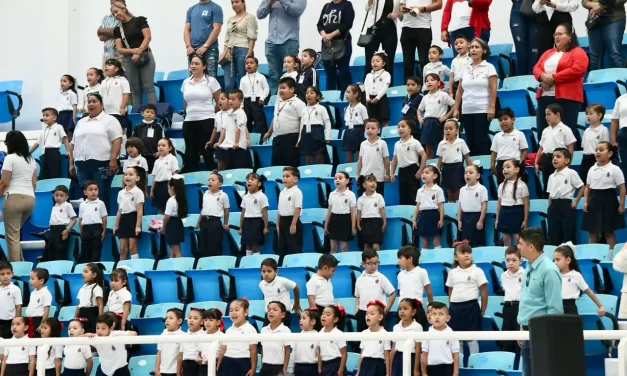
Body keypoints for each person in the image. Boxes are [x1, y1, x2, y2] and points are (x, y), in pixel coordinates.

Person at [517, 227, 564, 376]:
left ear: (530, 247)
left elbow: (555, 308)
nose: (518, 247)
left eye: (520, 243)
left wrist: (548, 338)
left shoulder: (549, 270)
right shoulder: (528, 266)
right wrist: (522, 326)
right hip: (527, 331)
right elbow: (527, 299)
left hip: (542, 333)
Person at [533, 23, 587, 144]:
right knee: (543, 133)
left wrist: (554, 77)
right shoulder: (548, 52)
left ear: (570, 37)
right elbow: (536, 68)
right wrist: (542, 76)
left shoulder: (578, 52)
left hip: (566, 99)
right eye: (555, 34)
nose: (556, 37)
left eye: (560, 34)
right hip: (545, 98)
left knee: (565, 134)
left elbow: (578, 69)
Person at [70, 93, 123, 210]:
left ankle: (103, 225)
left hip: (101, 164)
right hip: (81, 164)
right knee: (86, 197)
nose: (91, 104)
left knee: (101, 196)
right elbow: (73, 143)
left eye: (94, 101)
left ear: (102, 104)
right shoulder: (81, 122)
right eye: (89, 102)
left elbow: (117, 140)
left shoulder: (110, 120)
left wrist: (113, 159)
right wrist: (71, 163)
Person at [452, 38, 498, 156]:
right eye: (472, 47)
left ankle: (484, 169)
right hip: (467, 109)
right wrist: (456, 108)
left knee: (481, 141)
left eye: (477, 47)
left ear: (484, 51)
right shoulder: (465, 68)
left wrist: (491, 107)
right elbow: (459, 91)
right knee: (471, 142)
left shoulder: (489, 67)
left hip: (482, 108)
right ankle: (473, 170)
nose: (473, 50)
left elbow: (493, 89)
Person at [0, 131, 37, 261]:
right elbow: (34, 183)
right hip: (30, 199)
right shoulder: (31, 159)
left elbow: (4, 182)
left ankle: (14, 271)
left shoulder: (10, 158)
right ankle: (21, 264)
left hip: (14, 198)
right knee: (15, 234)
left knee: (12, 237)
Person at [111, 1, 157, 107]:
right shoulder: (118, 29)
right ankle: (137, 116)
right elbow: (120, 49)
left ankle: (154, 114)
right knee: (135, 90)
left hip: (145, 56)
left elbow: (148, 37)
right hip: (129, 59)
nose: (116, 15)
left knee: (148, 87)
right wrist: (133, 51)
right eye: (113, 14)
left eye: (116, 12)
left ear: (124, 9)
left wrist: (139, 51)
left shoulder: (140, 21)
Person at [181, 54, 222, 173]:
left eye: (196, 64)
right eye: (192, 63)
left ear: (204, 66)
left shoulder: (211, 81)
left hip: (207, 119)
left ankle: (211, 174)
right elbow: (185, 102)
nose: (193, 66)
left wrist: (211, 114)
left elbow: (219, 101)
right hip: (189, 120)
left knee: (207, 150)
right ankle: (191, 175)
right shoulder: (185, 82)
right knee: (190, 151)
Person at [446, 242, 488, 356]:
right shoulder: (452, 272)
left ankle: (474, 363)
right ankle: (459, 366)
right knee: (457, 339)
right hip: (455, 308)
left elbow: (484, 291)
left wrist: (482, 310)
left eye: (469, 252)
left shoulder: (477, 271)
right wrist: (451, 307)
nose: (467, 255)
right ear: (456, 257)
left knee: (471, 338)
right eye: (463, 253)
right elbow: (450, 290)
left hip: (471, 307)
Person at [256, 0, 306, 95]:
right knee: (274, 77)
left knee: (291, 75)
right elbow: (260, 14)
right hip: (271, 42)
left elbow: (297, 11)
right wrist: (269, 3)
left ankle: (292, 103)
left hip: (289, 40)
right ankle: (275, 102)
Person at [582, 142, 626, 250]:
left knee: (608, 232)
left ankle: (612, 257)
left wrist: (621, 204)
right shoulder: (592, 169)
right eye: (596, 150)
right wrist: (586, 201)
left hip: (609, 200)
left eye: (601, 150)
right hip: (594, 200)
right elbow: (587, 187)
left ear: (610, 153)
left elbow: (622, 187)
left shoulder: (614, 169)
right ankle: (591, 255)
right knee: (592, 231)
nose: (598, 152)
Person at [534, 103, 577, 197]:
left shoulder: (565, 129)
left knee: (559, 183)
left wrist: (567, 162)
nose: (546, 117)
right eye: (545, 115)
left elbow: (570, 146)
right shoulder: (545, 130)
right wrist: (536, 162)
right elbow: (541, 148)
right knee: (547, 183)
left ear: (557, 114)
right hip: (546, 158)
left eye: (549, 114)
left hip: (560, 158)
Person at [263, 77, 307, 167]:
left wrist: (300, 138)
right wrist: (269, 132)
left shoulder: (298, 103)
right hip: (277, 137)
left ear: (292, 89)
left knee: (290, 165)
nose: (281, 90)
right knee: (276, 164)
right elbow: (275, 117)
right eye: (279, 88)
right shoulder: (278, 102)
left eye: (283, 88)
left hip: (291, 138)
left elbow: (303, 121)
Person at [554, 242, 606, 315]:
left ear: (568, 260)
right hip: (556, 308)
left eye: (558, 259)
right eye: (554, 260)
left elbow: (589, 292)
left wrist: (600, 306)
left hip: (570, 308)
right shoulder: (553, 274)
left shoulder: (576, 275)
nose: (555, 263)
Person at [546, 148, 583, 245]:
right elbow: (550, 194)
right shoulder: (551, 176)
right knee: (554, 234)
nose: (554, 159)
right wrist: (550, 207)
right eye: (553, 157)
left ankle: (569, 257)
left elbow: (582, 187)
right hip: (554, 205)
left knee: (568, 234)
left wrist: (575, 201)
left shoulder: (571, 173)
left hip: (565, 204)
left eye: (558, 157)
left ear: (567, 160)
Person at [355, 249, 397, 334]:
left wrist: (385, 310)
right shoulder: (359, 279)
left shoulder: (381, 278)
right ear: (363, 264)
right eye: (370, 263)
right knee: (363, 340)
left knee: (379, 340)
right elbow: (357, 296)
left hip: (377, 314)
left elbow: (393, 293)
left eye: (376, 263)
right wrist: (357, 307)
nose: (373, 266)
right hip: (363, 313)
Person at [318, 0, 355, 93]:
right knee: (329, 75)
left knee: (343, 73)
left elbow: (347, 24)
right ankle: (329, 100)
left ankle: (346, 98)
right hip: (327, 44)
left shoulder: (347, 4)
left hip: (342, 42)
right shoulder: (327, 6)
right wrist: (325, 36)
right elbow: (319, 24)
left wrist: (331, 35)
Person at [399, 0, 442, 80]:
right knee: (407, 63)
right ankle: (409, 89)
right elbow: (402, 5)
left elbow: (439, 4)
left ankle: (427, 89)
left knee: (424, 62)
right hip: (407, 27)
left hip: (424, 27)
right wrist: (403, 8)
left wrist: (422, 9)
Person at [361, 0, 401, 84]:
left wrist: (397, 13)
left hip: (390, 28)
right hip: (374, 28)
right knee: (370, 60)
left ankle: (388, 88)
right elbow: (367, 8)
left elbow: (402, 16)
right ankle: (366, 89)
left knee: (389, 61)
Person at [222, 0, 257, 91]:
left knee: (243, 80)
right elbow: (227, 37)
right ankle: (230, 104)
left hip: (243, 49)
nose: (234, 4)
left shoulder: (249, 17)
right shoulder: (230, 19)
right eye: (232, 3)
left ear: (243, 3)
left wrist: (249, 53)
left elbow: (252, 36)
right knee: (228, 84)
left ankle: (244, 104)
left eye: (237, 2)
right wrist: (224, 53)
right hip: (229, 51)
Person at [391, 118, 426, 206]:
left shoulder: (415, 142)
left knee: (413, 194)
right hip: (402, 170)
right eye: (398, 127)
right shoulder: (397, 144)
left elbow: (424, 155)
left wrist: (420, 170)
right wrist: (392, 173)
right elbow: (395, 160)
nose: (400, 129)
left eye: (403, 126)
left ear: (409, 129)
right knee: (403, 194)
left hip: (413, 169)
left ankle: (414, 216)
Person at [418, 74, 455, 159]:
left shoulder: (443, 95)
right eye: (427, 81)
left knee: (442, 145)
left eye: (432, 80)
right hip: (427, 122)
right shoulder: (425, 97)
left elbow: (454, 105)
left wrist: (446, 116)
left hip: (439, 122)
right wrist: (420, 118)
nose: (429, 82)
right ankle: (429, 167)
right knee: (428, 147)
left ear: (438, 83)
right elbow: (419, 110)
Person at [185, 0, 223, 79]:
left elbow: (217, 29)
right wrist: (188, 46)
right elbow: (186, 29)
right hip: (192, 50)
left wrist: (205, 46)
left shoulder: (216, 8)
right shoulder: (191, 9)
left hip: (209, 50)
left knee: (210, 79)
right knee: (193, 79)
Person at [218, 299, 258, 376]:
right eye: (230, 310)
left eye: (236, 310)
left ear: (246, 312)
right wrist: (219, 365)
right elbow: (223, 350)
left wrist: (253, 368)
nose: (233, 313)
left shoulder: (250, 329)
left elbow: (253, 351)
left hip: (242, 363)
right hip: (227, 362)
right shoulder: (229, 330)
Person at [113, 166, 145, 260]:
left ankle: (135, 268)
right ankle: (122, 270)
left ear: (137, 178)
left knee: (132, 247)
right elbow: (119, 211)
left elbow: (140, 210)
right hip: (123, 219)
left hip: (133, 219)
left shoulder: (138, 192)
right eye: (126, 175)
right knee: (123, 249)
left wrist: (138, 226)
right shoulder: (121, 193)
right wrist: (116, 225)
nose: (127, 177)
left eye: (131, 175)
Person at [490, 108, 529, 185]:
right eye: (500, 120)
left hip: (515, 163)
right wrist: (492, 164)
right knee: (502, 186)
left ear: (513, 120)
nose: (503, 122)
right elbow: (494, 152)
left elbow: (524, 150)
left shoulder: (519, 134)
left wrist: (521, 162)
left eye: (505, 119)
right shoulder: (497, 136)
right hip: (501, 164)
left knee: (517, 186)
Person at [436, 119, 472, 203]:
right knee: (449, 190)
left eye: (450, 128)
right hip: (446, 168)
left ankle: (458, 208)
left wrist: (470, 169)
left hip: (457, 167)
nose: (448, 131)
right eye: (446, 129)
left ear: (457, 130)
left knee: (457, 190)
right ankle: (451, 208)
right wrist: (437, 171)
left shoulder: (461, 142)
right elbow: (440, 159)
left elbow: (467, 156)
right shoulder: (441, 144)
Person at [584, 0, 626, 70]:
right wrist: (592, 5)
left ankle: (619, 80)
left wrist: (600, 5)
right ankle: (596, 80)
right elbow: (584, 1)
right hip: (595, 20)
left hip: (614, 18)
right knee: (594, 57)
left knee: (614, 54)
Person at [397, 245, 433, 328]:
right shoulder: (400, 274)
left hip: (416, 308)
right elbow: (400, 292)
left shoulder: (421, 272)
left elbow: (429, 291)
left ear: (410, 259)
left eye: (400, 258)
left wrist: (430, 307)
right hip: (403, 307)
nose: (398, 261)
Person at [420, 302, 460, 376]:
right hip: (431, 369)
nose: (437, 317)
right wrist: (424, 373)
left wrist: (455, 373)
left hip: (447, 368)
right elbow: (424, 355)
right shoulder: (427, 334)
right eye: (434, 314)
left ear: (447, 318)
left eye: (440, 314)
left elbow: (455, 354)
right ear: (430, 317)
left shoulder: (451, 333)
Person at [496, 160, 530, 246]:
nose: (505, 170)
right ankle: (508, 255)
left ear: (517, 169)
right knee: (505, 237)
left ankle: (519, 255)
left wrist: (525, 220)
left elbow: (526, 203)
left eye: (508, 167)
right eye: (503, 168)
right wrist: (497, 219)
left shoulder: (522, 185)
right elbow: (499, 203)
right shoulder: (501, 185)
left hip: (517, 211)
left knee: (517, 237)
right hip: (504, 211)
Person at [197, 172, 230, 258]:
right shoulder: (205, 194)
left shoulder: (223, 195)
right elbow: (203, 209)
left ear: (220, 184)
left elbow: (226, 210)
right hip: (204, 221)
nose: (210, 182)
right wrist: (198, 223)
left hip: (215, 222)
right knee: (203, 245)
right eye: (208, 180)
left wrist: (225, 223)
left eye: (213, 180)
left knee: (214, 244)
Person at [260, 258, 301, 327]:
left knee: (281, 335)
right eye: (263, 271)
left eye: (269, 271)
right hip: (269, 313)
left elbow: (295, 287)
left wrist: (296, 304)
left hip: (283, 314)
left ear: (276, 271)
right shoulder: (261, 284)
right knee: (265, 334)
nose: (266, 274)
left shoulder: (282, 281)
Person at [31, 108, 70, 180]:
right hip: (44, 154)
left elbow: (64, 138)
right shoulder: (43, 131)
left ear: (54, 118)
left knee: (54, 174)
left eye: (47, 115)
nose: (44, 117)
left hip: (53, 153)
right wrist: (28, 153)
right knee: (44, 175)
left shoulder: (58, 127)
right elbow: (37, 143)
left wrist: (68, 150)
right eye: (43, 115)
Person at [413, 165, 445, 249]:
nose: (423, 175)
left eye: (427, 173)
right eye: (423, 173)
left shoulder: (438, 190)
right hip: (423, 215)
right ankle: (425, 257)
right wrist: (414, 220)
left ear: (434, 176)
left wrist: (441, 219)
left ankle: (438, 257)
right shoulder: (420, 191)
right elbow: (417, 206)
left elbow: (441, 205)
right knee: (424, 238)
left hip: (434, 215)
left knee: (436, 237)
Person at [216, 89, 250, 169]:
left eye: (233, 99)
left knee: (239, 168)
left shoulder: (241, 113)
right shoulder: (228, 113)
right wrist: (219, 142)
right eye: (230, 99)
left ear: (240, 101)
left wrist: (236, 142)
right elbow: (224, 129)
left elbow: (239, 129)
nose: (230, 101)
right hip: (229, 146)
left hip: (238, 146)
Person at [297, 86, 332, 165]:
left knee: (319, 155)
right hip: (306, 132)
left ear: (318, 96)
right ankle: (309, 172)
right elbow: (302, 124)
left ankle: (321, 172)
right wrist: (299, 139)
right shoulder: (304, 109)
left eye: (312, 93)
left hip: (317, 131)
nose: (308, 95)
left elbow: (327, 123)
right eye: (307, 93)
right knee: (308, 155)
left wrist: (328, 137)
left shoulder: (321, 108)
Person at [356, 119, 391, 196]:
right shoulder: (363, 144)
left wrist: (387, 174)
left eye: (373, 128)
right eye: (367, 128)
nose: (370, 130)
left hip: (378, 177)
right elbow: (360, 160)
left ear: (378, 130)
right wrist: (357, 174)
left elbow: (386, 160)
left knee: (378, 198)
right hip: (366, 176)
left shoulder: (382, 143)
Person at [325, 171, 357, 253]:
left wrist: (353, 226)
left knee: (344, 246)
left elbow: (353, 213)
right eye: (335, 179)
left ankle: (344, 263)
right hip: (334, 219)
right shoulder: (332, 194)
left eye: (340, 178)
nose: (337, 180)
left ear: (347, 181)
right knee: (333, 247)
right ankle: (331, 264)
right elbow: (329, 210)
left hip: (345, 220)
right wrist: (326, 225)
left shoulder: (351, 195)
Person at [357, 301, 391, 376]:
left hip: (378, 365)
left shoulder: (385, 334)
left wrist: (388, 373)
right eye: (366, 314)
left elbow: (387, 355)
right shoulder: (364, 333)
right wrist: (358, 371)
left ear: (380, 317)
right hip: (365, 364)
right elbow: (362, 353)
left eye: (372, 314)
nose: (368, 316)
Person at [500, 246, 524, 354]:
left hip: (519, 307)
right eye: (508, 260)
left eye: (514, 260)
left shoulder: (524, 274)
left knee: (520, 339)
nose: (511, 263)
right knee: (507, 338)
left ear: (520, 261)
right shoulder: (503, 275)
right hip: (507, 307)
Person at [391, 298, 423, 376]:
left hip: (411, 358)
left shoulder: (417, 327)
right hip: (398, 358)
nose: (402, 311)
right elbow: (393, 348)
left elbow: (418, 349)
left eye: (405, 309)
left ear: (413, 312)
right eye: (400, 309)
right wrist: (390, 367)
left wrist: (416, 369)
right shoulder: (396, 327)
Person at [44, 185, 77, 261]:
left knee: (60, 250)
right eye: (56, 195)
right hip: (53, 230)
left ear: (66, 197)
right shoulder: (54, 207)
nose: (58, 197)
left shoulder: (67, 205)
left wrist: (67, 230)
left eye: (61, 196)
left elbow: (74, 219)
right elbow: (54, 221)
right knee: (51, 249)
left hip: (62, 229)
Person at [458, 164, 488, 247]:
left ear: (478, 175)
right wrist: (459, 220)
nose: (467, 174)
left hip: (477, 217)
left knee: (478, 241)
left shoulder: (482, 189)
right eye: (466, 173)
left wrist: (481, 220)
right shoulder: (462, 189)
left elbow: (484, 206)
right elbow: (460, 206)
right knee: (465, 242)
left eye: (471, 173)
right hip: (465, 217)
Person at [240, 173, 269, 256]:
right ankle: (248, 262)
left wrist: (265, 227)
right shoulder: (245, 197)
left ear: (259, 184)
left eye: (252, 180)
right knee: (247, 245)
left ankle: (256, 262)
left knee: (255, 245)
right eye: (248, 180)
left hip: (257, 222)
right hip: (247, 222)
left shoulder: (262, 196)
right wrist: (241, 227)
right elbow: (243, 213)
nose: (249, 181)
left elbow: (264, 212)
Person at [277, 167, 304, 258]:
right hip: (283, 221)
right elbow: (279, 210)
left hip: (292, 220)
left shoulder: (297, 192)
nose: (284, 178)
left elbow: (297, 208)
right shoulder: (282, 192)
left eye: (287, 176)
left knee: (293, 246)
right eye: (283, 176)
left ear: (295, 179)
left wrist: (293, 224)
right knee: (282, 247)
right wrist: (278, 224)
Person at [78, 181, 108, 263]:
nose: (93, 192)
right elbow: (80, 219)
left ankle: (95, 269)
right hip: (86, 229)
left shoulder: (100, 203)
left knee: (96, 251)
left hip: (97, 228)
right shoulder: (82, 204)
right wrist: (81, 232)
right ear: (85, 192)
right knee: (85, 251)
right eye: (90, 190)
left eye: (95, 189)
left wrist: (104, 231)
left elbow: (104, 218)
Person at [259, 302, 292, 376]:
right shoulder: (264, 330)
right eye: (269, 309)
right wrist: (262, 364)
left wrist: (284, 368)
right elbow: (263, 349)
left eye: (275, 309)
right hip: (265, 366)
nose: (271, 311)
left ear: (283, 314)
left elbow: (287, 350)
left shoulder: (285, 330)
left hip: (278, 366)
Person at [357, 175, 387, 251]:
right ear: (364, 185)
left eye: (375, 181)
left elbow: (382, 210)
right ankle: (367, 261)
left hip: (376, 222)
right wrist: (358, 224)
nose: (373, 183)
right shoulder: (360, 199)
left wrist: (384, 222)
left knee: (375, 246)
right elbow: (359, 212)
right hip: (364, 222)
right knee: (366, 245)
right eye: (370, 181)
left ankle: (377, 261)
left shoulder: (379, 196)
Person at [240, 56, 270, 134]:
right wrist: (241, 106)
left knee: (259, 121)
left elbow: (266, 88)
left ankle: (261, 139)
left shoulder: (261, 77)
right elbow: (241, 93)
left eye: (251, 63)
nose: (249, 65)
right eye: (247, 63)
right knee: (247, 122)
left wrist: (262, 98)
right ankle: (247, 139)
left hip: (257, 101)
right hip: (246, 102)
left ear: (257, 66)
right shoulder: (243, 79)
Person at [132, 104, 164, 173]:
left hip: (154, 156)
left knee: (154, 174)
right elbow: (133, 142)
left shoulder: (158, 127)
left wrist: (160, 152)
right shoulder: (138, 127)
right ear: (142, 113)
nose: (149, 114)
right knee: (141, 174)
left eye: (152, 113)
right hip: (140, 156)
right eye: (147, 112)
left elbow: (163, 141)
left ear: (155, 116)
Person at [150, 138, 180, 214]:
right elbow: (155, 177)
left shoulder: (172, 159)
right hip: (158, 187)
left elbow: (175, 174)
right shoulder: (157, 161)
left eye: (163, 145)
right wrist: (152, 190)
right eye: (159, 145)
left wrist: (174, 188)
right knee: (160, 207)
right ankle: (160, 224)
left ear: (169, 148)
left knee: (169, 207)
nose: (160, 147)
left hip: (168, 185)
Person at [582, 103, 610, 183]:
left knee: (597, 180)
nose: (588, 116)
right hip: (585, 158)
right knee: (585, 179)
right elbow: (584, 146)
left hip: (597, 158)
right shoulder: (586, 131)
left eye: (591, 113)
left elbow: (605, 146)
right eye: (587, 114)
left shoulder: (603, 130)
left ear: (599, 115)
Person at [162, 176, 188, 259]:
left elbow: (166, 216)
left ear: (172, 187)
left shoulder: (171, 200)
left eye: (168, 188)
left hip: (172, 224)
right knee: (172, 250)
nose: (168, 190)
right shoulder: (181, 199)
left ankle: (178, 268)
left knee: (176, 250)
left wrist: (163, 227)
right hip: (178, 223)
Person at [74, 264, 105, 334]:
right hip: (82, 313)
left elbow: (100, 305)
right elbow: (79, 305)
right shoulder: (82, 288)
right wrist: (75, 318)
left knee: (91, 334)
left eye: (86, 272)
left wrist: (100, 320)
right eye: (83, 272)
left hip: (92, 314)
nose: (83, 274)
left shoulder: (97, 288)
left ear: (94, 275)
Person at [101, 59, 131, 132]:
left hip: (118, 111)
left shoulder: (123, 80)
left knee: (120, 130)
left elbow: (126, 94)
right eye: (106, 65)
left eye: (109, 65)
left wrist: (122, 107)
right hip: (106, 112)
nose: (106, 67)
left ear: (116, 68)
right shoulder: (104, 81)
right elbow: (101, 96)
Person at [318, 305, 348, 376]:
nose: (324, 316)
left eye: (328, 314)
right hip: (324, 365)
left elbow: (344, 354)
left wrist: (340, 370)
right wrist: (319, 369)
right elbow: (320, 353)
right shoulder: (319, 333)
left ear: (335, 319)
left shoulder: (338, 334)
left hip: (336, 364)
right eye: (323, 313)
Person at [510, 0, 537, 75]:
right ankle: (520, 84)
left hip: (538, 8)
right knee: (521, 54)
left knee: (534, 54)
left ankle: (533, 84)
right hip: (518, 6)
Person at [342, 84, 368, 163]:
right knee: (349, 154)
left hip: (358, 131)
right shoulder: (346, 108)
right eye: (346, 92)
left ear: (355, 94)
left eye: (348, 92)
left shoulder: (361, 107)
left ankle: (360, 171)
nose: (346, 94)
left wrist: (366, 134)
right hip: (348, 131)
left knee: (359, 154)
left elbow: (366, 122)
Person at [291, 309, 321, 376]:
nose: (301, 320)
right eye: (300, 318)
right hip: (298, 367)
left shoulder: (318, 336)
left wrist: (320, 370)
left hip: (313, 368)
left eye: (304, 318)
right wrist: (291, 369)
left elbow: (320, 355)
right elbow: (293, 353)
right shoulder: (297, 336)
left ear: (313, 321)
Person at [365, 53, 392, 127]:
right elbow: (366, 87)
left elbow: (385, 87)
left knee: (384, 120)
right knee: (371, 121)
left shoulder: (386, 74)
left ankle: (385, 136)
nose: (375, 63)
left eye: (377, 61)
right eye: (373, 61)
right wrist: (367, 98)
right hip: (370, 100)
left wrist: (377, 98)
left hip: (381, 99)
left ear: (383, 64)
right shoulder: (368, 75)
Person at [155, 308, 184, 376]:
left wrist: (178, 372)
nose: (167, 320)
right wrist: (156, 369)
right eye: (166, 318)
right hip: (162, 371)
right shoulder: (162, 335)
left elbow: (181, 355)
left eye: (171, 318)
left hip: (175, 371)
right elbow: (159, 353)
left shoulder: (183, 336)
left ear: (179, 321)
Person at [26, 268, 52, 338]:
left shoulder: (45, 293)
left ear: (41, 281)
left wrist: (42, 324)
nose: (29, 281)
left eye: (32, 279)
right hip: (30, 319)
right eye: (30, 278)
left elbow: (46, 310)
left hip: (38, 320)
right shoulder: (33, 293)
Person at [199, 308, 225, 374]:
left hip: (216, 366)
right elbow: (200, 352)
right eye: (205, 320)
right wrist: (199, 358)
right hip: (203, 367)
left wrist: (213, 359)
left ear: (218, 322)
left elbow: (224, 354)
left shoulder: (222, 336)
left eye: (211, 320)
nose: (207, 322)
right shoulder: (201, 335)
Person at [179, 308, 204, 376]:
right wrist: (178, 372)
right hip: (186, 364)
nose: (191, 320)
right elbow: (180, 355)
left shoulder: (204, 335)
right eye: (189, 318)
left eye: (195, 318)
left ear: (202, 321)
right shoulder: (184, 336)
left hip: (199, 365)